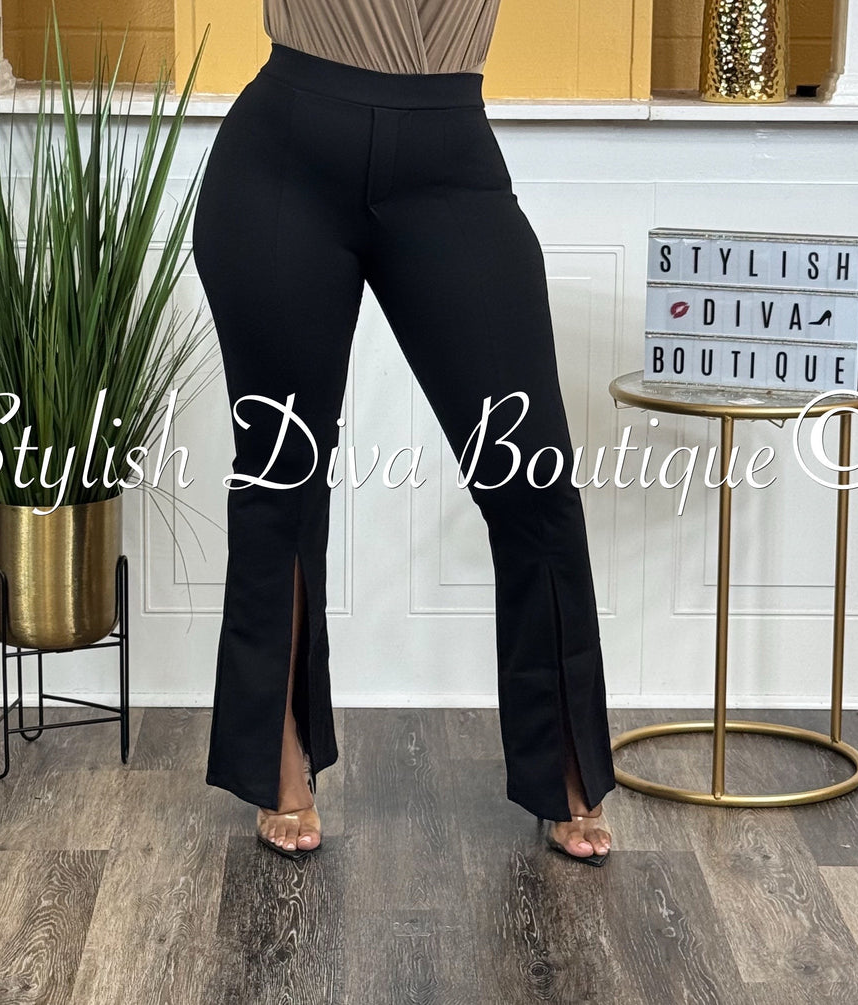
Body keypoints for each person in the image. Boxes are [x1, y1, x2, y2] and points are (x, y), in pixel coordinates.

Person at [191, 0, 616, 866]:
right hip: (282, 159)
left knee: (532, 480)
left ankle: (565, 762)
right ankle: (279, 756)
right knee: (280, 476)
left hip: (450, 162)